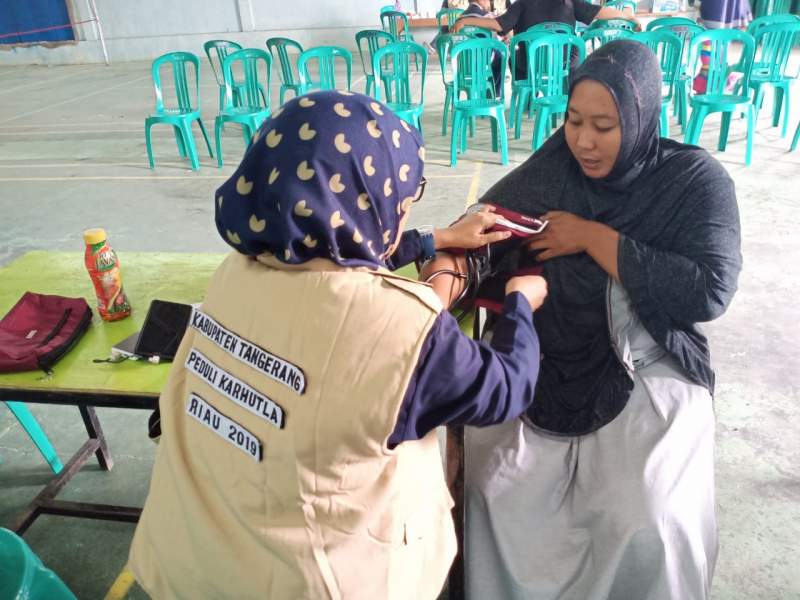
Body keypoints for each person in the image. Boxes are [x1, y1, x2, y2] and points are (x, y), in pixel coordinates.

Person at [127, 91, 548, 599]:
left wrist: (434, 239)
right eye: (402, 202)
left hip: (190, 560)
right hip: (311, 582)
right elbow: (506, 386)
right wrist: (520, 302)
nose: (403, 211)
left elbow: (328, 274)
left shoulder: (234, 275)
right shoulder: (402, 330)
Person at [428, 40, 742, 598]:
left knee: (653, 515)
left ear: (642, 118)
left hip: (643, 359)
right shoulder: (554, 170)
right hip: (543, 356)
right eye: (573, 120)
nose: (584, 141)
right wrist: (441, 274)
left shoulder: (693, 183)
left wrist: (593, 238)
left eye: (605, 125)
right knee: (490, 488)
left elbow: (709, 290)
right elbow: (481, 233)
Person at [453, 0, 641, 79]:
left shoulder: (522, 3)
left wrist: (466, 20)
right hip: (563, 65)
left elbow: (499, 25)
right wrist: (629, 17)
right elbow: (602, 12)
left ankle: (527, 98)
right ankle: (566, 94)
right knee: (575, 55)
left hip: (529, 67)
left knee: (514, 57)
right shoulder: (568, 2)